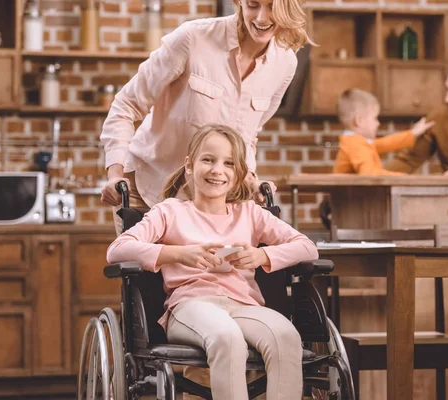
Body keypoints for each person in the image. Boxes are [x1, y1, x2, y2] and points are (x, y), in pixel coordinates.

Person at [107, 124, 317, 400]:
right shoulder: (170, 211)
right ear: (190, 166)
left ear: (238, 174)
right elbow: (118, 250)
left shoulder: (250, 214)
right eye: (208, 159)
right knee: (227, 338)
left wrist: (262, 255)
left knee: (286, 338)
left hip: (243, 305)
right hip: (190, 306)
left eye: (228, 163)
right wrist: (181, 254)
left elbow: (307, 247)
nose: (218, 170)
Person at [99, 0, 312, 230]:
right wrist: (115, 174)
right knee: (145, 265)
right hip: (148, 192)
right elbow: (125, 106)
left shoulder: (285, 63)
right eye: (253, 4)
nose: (261, 17)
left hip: (211, 206)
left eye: (272, 7)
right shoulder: (193, 38)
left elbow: (248, 136)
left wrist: (249, 179)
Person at [333, 88, 434, 175]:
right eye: (375, 118)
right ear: (359, 121)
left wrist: (413, 133)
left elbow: (386, 143)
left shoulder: (356, 141)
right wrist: (400, 177)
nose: (378, 123)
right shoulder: (356, 145)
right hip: (348, 197)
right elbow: (370, 174)